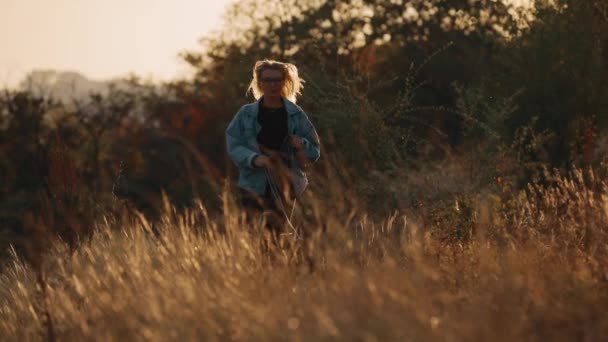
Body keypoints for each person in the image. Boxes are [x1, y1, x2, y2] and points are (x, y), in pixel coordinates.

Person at [225, 60, 320, 234]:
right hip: (252, 183)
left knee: (279, 234)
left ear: (285, 81)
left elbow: (314, 151)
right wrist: (254, 158)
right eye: (267, 80)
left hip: (286, 183)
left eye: (277, 80)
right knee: (253, 234)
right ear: (259, 83)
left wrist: (302, 144)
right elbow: (233, 143)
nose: (272, 84)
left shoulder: (296, 114)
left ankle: (279, 261)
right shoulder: (246, 113)